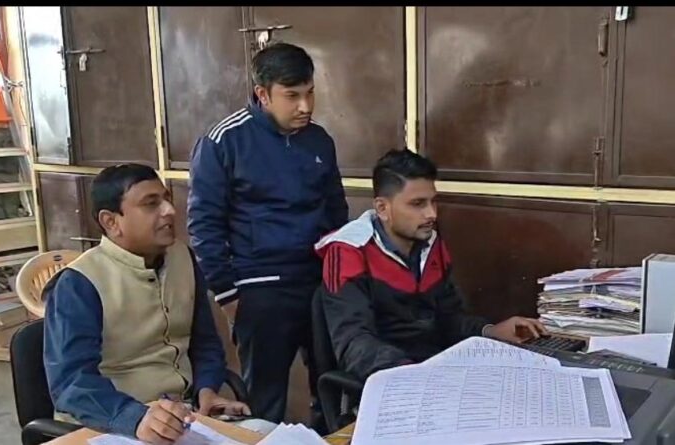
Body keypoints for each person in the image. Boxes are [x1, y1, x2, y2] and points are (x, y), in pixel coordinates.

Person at [187, 42, 348, 424]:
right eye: (292, 96)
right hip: (259, 288)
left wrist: (339, 279)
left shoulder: (319, 140)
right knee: (263, 401)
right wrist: (228, 295)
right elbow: (204, 225)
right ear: (262, 94)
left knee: (331, 391)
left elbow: (336, 212)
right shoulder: (223, 141)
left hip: (318, 283)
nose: (305, 106)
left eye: (310, 93)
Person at [43, 164, 250, 445]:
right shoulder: (79, 283)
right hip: (112, 425)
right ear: (111, 222)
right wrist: (134, 418)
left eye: (167, 199)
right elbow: (71, 383)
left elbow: (204, 342)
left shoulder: (183, 258)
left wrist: (207, 389)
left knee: (265, 433)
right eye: (151, 204)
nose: (169, 210)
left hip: (184, 416)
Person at [315, 149, 548, 381]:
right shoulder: (349, 251)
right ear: (382, 208)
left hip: (437, 369)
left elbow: (449, 318)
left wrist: (491, 331)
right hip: (389, 378)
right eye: (417, 204)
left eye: (433, 202)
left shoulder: (430, 242)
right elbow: (354, 343)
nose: (431, 214)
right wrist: (413, 373)